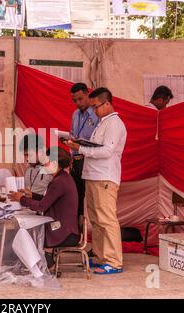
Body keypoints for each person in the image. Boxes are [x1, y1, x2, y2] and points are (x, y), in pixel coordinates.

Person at [65, 87, 127, 275]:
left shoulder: (114, 123)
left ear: (107, 103)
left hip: (104, 177)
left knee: (107, 219)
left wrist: (81, 149)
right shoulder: (102, 122)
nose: (93, 110)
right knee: (96, 220)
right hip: (92, 175)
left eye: (96, 106)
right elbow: (97, 148)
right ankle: (101, 258)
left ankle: (114, 261)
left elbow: (107, 151)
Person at [9, 147, 79, 269]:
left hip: (63, 231)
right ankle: (42, 260)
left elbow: (42, 206)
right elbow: (50, 200)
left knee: (28, 232)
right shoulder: (63, 178)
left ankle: (40, 262)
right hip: (66, 228)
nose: (42, 164)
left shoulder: (58, 182)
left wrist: (21, 199)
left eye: (45, 162)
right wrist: (33, 195)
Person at [63, 83, 98, 218]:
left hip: (89, 159)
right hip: (76, 160)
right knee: (75, 197)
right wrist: (69, 141)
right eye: (74, 100)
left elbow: (98, 139)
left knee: (91, 198)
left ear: (87, 94)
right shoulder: (75, 114)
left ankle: (88, 230)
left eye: (80, 99)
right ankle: (77, 232)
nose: (78, 103)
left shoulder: (96, 113)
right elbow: (72, 133)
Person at [19, 134, 52, 198]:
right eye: (25, 155)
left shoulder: (52, 171)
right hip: (27, 206)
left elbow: (53, 200)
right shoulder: (28, 169)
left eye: (29, 155)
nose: (26, 159)